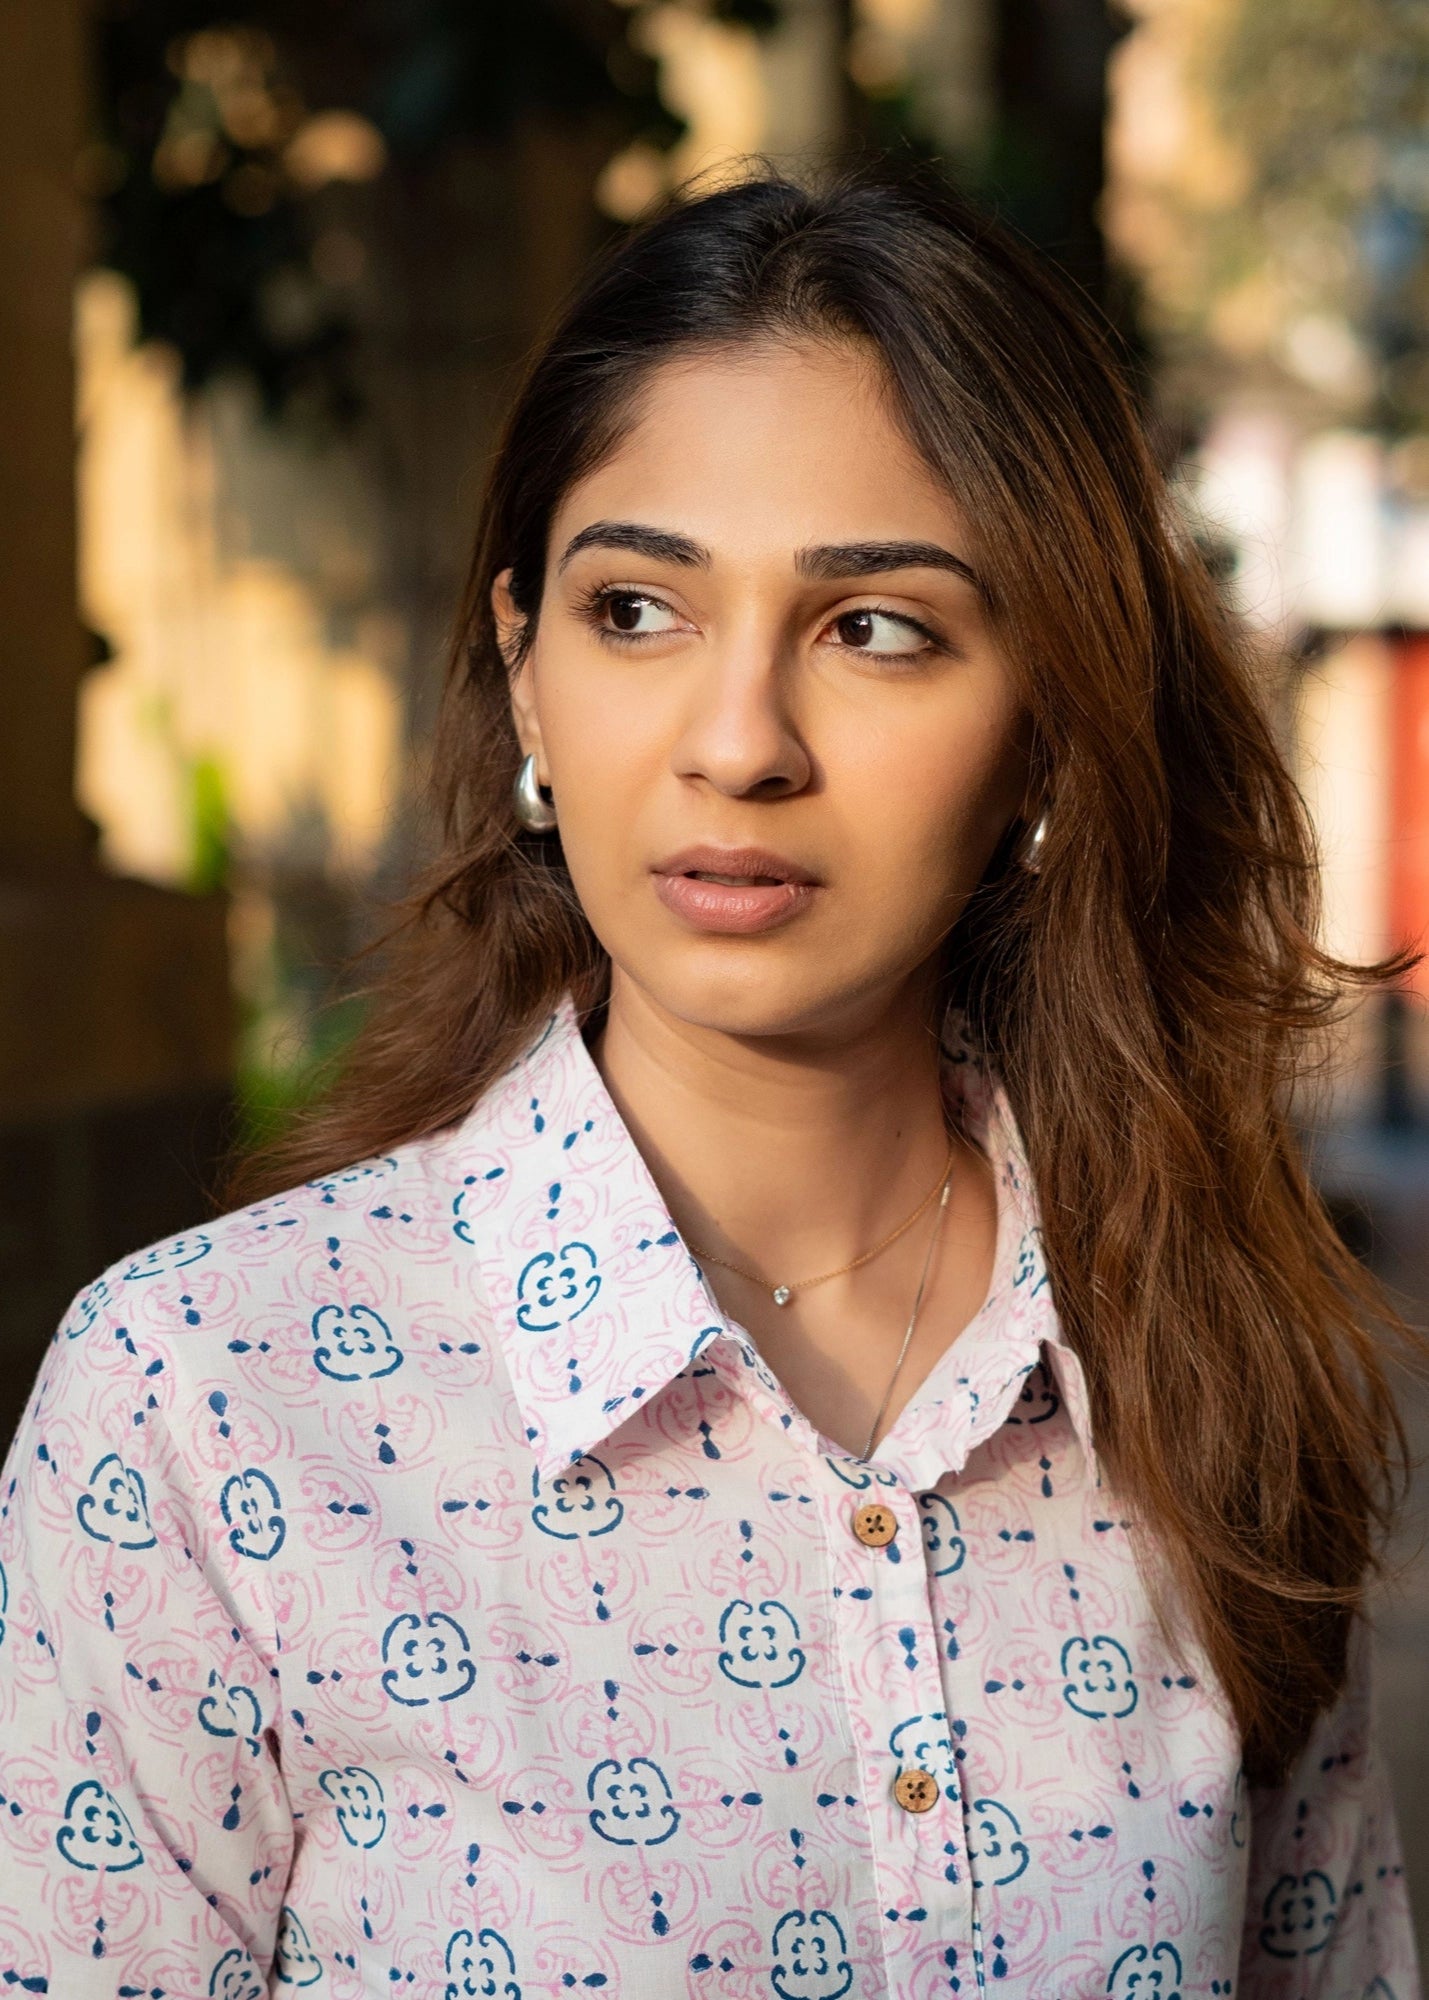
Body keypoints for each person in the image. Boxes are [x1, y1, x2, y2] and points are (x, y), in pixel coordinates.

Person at [0, 167, 1419, 2000]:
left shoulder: (1205, 1378)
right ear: (522, 668)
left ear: (1047, 733)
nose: (738, 744)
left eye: (875, 628)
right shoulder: (207, 1409)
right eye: (636, 610)